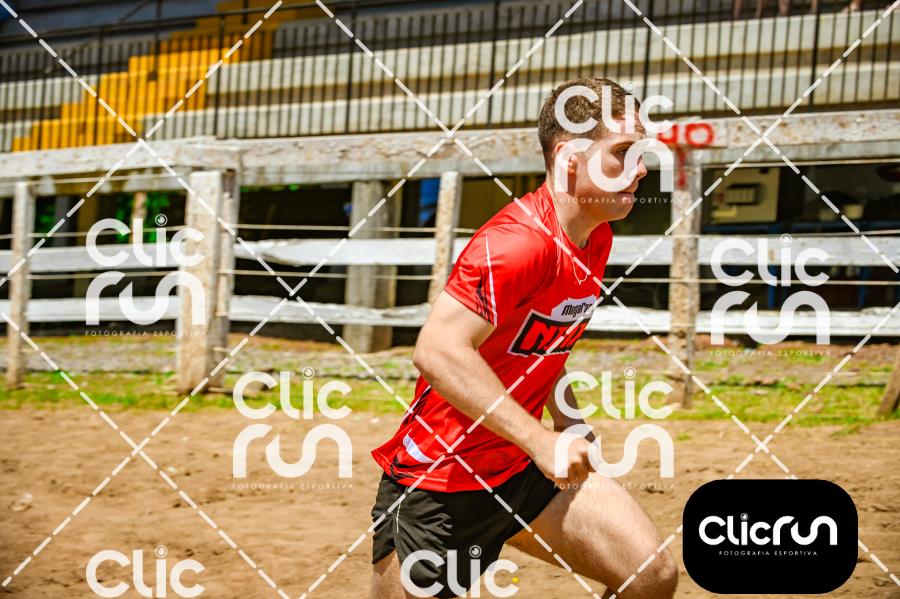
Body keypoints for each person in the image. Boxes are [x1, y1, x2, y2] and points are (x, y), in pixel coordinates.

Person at [367, 77, 678, 599]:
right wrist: (540, 441)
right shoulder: (518, 244)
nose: (642, 167)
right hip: (440, 484)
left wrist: (567, 419)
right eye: (623, 151)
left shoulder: (595, 236)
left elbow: (541, 342)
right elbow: (437, 350)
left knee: (649, 575)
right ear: (569, 157)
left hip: (521, 469)